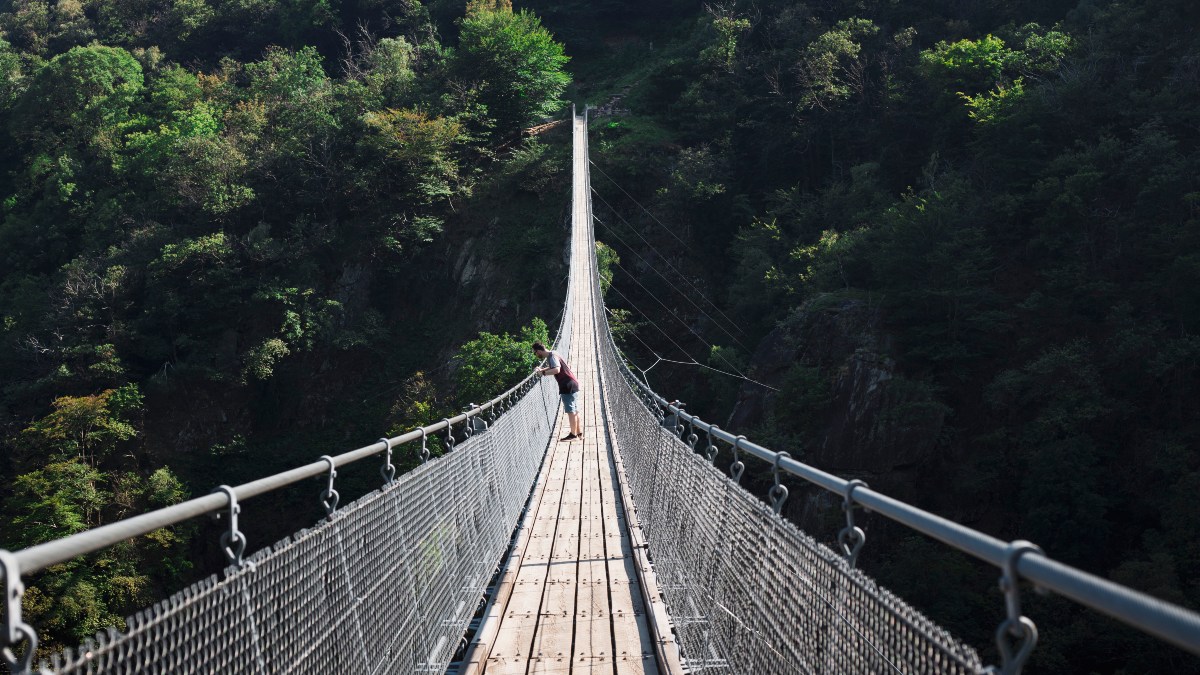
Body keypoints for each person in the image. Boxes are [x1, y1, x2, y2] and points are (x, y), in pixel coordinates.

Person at [532, 341, 582, 441]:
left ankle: (573, 435)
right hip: (573, 382)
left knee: (571, 411)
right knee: (575, 410)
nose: (535, 355)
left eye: (535, 353)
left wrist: (543, 374)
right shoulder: (553, 353)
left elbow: (556, 370)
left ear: (538, 351)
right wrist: (542, 370)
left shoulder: (551, 357)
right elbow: (553, 367)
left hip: (567, 385)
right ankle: (579, 433)